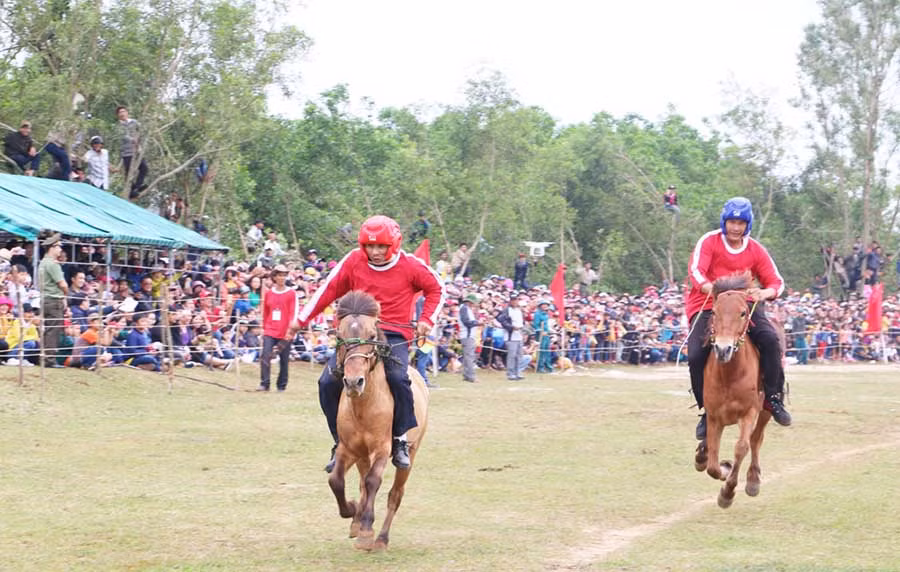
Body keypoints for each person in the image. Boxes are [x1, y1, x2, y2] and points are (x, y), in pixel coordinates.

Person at [291, 215, 445, 472]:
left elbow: (437, 288)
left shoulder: (411, 266)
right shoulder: (353, 261)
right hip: (357, 336)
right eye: (370, 246)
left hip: (393, 335)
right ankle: (339, 442)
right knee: (327, 382)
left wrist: (427, 318)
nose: (375, 252)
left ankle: (399, 440)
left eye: (381, 246)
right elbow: (328, 289)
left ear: (393, 245)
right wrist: (301, 318)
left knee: (398, 379)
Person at [686, 196, 792, 442]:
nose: (735, 227)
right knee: (694, 354)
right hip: (708, 306)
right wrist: (711, 289)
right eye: (731, 221)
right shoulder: (709, 241)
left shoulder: (756, 249)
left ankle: (774, 399)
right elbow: (695, 271)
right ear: (724, 221)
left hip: (746, 307)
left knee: (770, 340)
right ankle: (705, 409)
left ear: (748, 224)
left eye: (740, 222)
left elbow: (777, 281)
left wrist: (765, 292)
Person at [258, 264, 296, 392]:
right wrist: (263, 328)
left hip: (285, 331)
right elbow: (266, 312)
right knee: (265, 355)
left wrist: (290, 331)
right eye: (279, 275)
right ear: (274, 277)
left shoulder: (291, 293)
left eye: (284, 275)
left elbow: (292, 313)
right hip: (270, 329)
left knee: (284, 360)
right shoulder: (269, 293)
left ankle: (281, 385)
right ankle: (264, 383)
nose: (282, 278)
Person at [39, 233, 67, 368]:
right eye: (58, 246)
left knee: (48, 330)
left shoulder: (43, 262)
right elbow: (62, 284)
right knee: (53, 330)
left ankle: (44, 357)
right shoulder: (52, 264)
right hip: (54, 300)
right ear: (52, 247)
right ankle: (49, 360)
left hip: (45, 299)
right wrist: (66, 293)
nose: (60, 249)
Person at [116, 106, 149, 198]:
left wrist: (139, 139)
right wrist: (132, 140)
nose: (122, 113)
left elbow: (142, 130)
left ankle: (137, 187)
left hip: (137, 151)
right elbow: (123, 136)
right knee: (128, 173)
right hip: (127, 152)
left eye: (123, 111)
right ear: (118, 115)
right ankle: (131, 190)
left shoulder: (134, 122)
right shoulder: (119, 126)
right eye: (120, 112)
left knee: (144, 168)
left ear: (127, 112)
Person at [496, 293, 525, 380]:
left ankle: (518, 372)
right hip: (511, 335)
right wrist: (511, 327)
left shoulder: (519, 310)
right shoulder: (507, 310)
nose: (515, 301)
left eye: (516, 300)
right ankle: (510, 373)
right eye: (513, 300)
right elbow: (501, 320)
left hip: (519, 334)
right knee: (511, 355)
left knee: (519, 355)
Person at [459, 293, 480, 382]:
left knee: (468, 356)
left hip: (469, 335)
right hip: (467, 335)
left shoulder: (466, 309)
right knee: (470, 356)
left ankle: (467, 375)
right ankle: (471, 376)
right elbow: (467, 322)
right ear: (470, 302)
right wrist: (477, 323)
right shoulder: (464, 309)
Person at [533, 299, 554, 372]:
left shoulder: (546, 314)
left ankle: (548, 366)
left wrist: (548, 331)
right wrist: (541, 331)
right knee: (541, 351)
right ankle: (540, 367)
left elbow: (546, 325)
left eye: (546, 305)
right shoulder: (537, 314)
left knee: (547, 351)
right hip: (540, 335)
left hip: (546, 334)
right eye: (543, 304)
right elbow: (535, 325)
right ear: (540, 306)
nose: (545, 306)